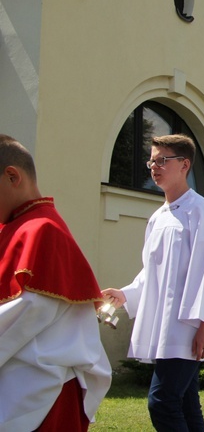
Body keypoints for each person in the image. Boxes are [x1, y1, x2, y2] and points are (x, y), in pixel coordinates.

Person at [101, 134, 204, 431]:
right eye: (152, 160)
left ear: (184, 165)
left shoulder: (201, 210)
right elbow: (151, 271)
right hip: (164, 323)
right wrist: (125, 294)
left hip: (187, 326)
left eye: (162, 160)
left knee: (162, 402)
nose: (154, 166)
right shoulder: (157, 217)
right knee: (185, 402)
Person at [0, 134, 111, 430]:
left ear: (12, 176)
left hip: (42, 393)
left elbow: (24, 315)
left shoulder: (42, 231)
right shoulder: (15, 226)